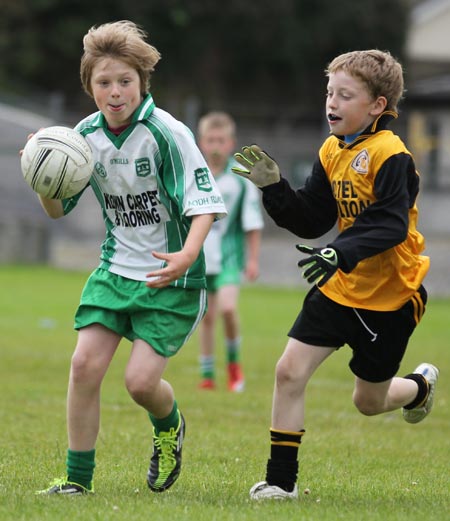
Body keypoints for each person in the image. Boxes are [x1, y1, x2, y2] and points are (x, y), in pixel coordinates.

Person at [232, 49, 439, 500]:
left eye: (346, 95)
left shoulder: (392, 155)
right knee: (289, 371)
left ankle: (419, 387)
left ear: (377, 106)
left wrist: (338, 251)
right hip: (341, 284)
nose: (332, 103)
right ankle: (281, 483)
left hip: (391, 297)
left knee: (367, 403)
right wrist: (276, 188)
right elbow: (312, 218)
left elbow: (389, 223)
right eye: (330, 92)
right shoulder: (331, 149)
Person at [32, 20, 227, 495]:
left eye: (125, 82)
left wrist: (186, 255)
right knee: (83, 367)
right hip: (114, 271)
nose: (115, 92)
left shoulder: (167, 133)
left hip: (169, 279)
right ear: (90, 86)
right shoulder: (81, 137)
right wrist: (43, 180)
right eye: (104, 83)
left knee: (140, 384)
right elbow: (59, 210)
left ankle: (169, 427)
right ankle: (77, 481)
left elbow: (205, 204)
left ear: (142, 83)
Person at [196, 111, 264, 392]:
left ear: (231, 143)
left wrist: (253, 259)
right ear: (201, 142)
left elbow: (252, 222)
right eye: (210, 140)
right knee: (207, 316)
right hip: (200, 258)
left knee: (227, 308)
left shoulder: (241, 177)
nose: (215, 146)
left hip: (229, 258)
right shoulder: (194, 174)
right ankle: (207, 375)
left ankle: (234, 366)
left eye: (221, 140)